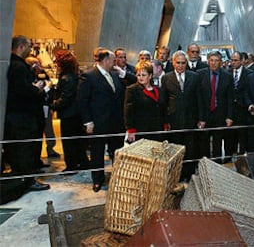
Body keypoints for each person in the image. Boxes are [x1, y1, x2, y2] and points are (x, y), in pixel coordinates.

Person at [3, 35, 50, 191]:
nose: (31, 49)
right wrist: (37, 87)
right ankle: (27, 182)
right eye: (29, 46)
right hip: (21, 118)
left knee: (23, 150)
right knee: (24, 151)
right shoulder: (18, 67)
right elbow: (24, 91)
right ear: (21, 47)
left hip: (20, 117)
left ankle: (25, 180)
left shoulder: (16, 65)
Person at [78, 49, 125, 192]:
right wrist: (88, 122)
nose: (115, 63)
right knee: (97, 153)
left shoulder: (115, 75)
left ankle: (118, 177)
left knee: (116, 151)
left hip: (115, 123)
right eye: (113, 60)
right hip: (98, 123)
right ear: (105, 61)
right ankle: (97, 180)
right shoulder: (89, 76)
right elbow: (82, 101)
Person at [161, 50, 201, 181]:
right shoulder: (166, 78)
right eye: (178, 63)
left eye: (183, 63)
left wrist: (201, 119)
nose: (180, 65)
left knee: (190, 148)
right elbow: (163, 101)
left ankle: (189, 174)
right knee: (176, 149)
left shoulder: (194, 77)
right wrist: (166, 121)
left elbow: (199, 99)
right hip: (174, 120)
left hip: (191, 119)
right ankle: (177, 175)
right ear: (173, 63)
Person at [50, 50, 89, 173]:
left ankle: (71, 166)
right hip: (76, 114)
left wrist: (53, 105)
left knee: (69, 142)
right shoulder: (75, 75)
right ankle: (82, 163)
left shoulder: (67, 78)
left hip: (68, 115)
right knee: (77, 141)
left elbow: (65, 98)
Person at [197, 51, 234, 161]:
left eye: (216, 60)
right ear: (208, 61)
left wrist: (229, 116)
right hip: (205, 115)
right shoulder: (200, 75)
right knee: (204, 144)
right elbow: (198, 98)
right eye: (211, 60)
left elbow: (230, 98)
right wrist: (200, 118)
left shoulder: (227, 76)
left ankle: (217, 168)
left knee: (218, 143)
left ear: (220, 62)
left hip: (220, 115)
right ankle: (206, 166)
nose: (214, 63)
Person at [125, 61, 167, 143]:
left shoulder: (158, 89)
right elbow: (128, 112)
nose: (140, 78)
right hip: (141, 130)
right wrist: (130, 130)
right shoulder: (132, 90)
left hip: (158, 130)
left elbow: (163, 108)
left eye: (143, 75)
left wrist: (165, 124)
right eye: (138, 75)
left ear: (150, 76)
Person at [224, 51, 253, 158]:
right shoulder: (226, 73)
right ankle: (229, 155)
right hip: (230, 110)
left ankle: (242, 156)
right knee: (230, 135)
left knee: (243, 135)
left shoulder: (249, 74)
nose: (233, 62)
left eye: (235, 60)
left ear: (242, 61)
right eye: (232, 60)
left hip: (244, 110)